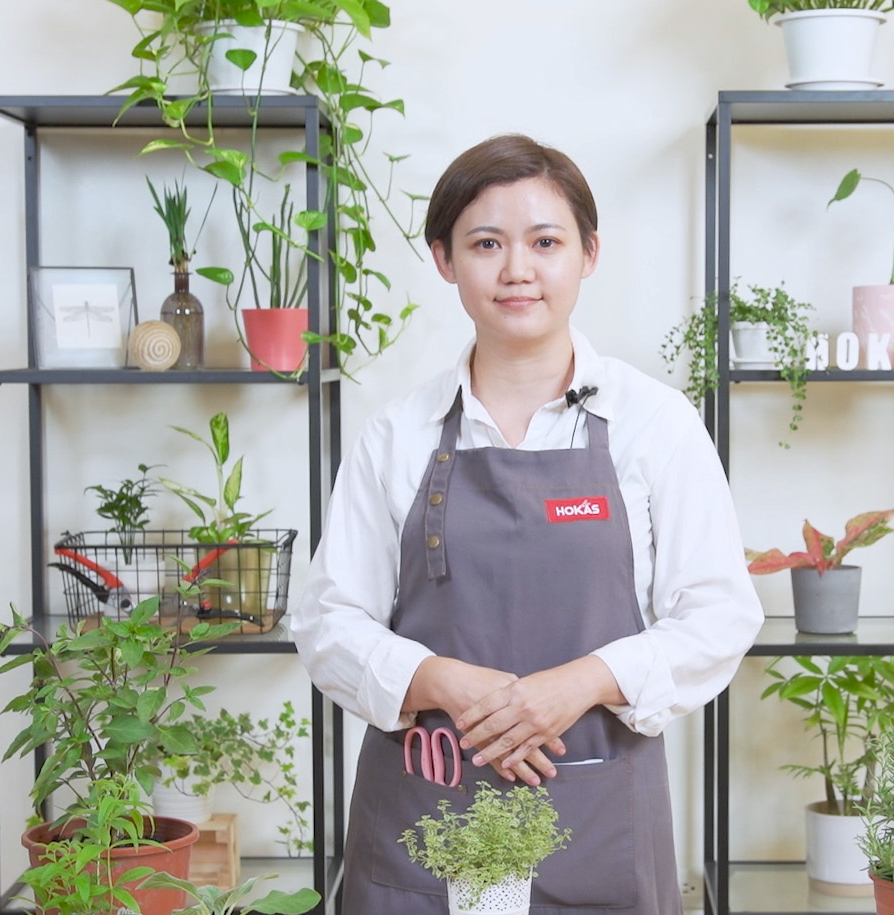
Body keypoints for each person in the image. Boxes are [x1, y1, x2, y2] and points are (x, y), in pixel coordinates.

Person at [291, 134, 764, 914]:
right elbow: (328, 619)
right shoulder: (399, 433)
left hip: (598, 810)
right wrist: (442, 679)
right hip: (426, 800)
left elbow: (719, 613)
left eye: (545, 242)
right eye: (486, 244)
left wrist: (575, 685)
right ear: (444, 259)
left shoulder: (654, 425)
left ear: (588, 253)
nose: (517, 269)